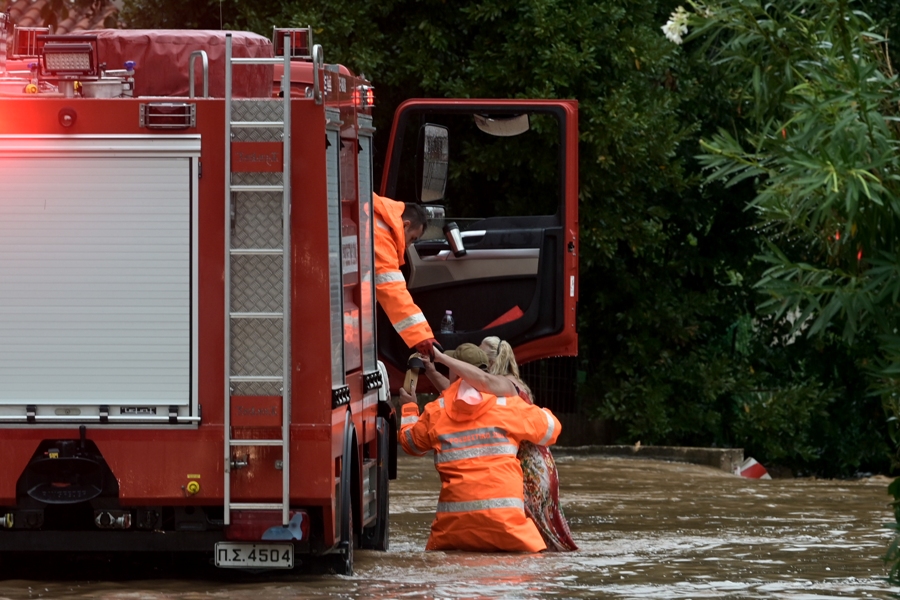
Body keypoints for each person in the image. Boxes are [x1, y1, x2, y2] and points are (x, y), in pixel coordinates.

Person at [398, 343, 561, 552]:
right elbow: (551, 430)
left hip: (453, 532)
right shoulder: (508, 407)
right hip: (509, 531)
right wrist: (532, 408)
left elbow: (411, 444)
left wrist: (409, 406)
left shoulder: (435, 412)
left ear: (456, 372)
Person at [479, 336, 578, 552]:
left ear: (492, 363)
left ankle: (543, 575)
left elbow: (482, 382)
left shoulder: (505, 384)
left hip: (530, 466)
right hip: (538, 462)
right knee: (543, 529)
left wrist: (443, 360)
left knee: (540, 533)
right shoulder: (512, 382)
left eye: (480, 359)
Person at [373, 193, 440, 358]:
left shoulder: (375, 213)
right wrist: (422, 337)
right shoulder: (381, 236)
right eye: (411, 239)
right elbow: (391, 289)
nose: (408, 245)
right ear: (405, 225)